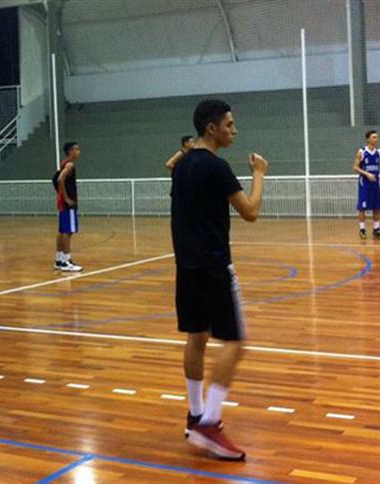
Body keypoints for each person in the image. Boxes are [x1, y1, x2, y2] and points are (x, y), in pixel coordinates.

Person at [171, 100, 268, 460]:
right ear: (211, 128)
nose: (234, 130)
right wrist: (259, 173)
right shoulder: (216, 166)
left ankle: (195, 414)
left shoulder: (182, 165)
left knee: (196, 337)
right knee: (235, 343)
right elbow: (250, 212)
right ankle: (209, 423)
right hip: (213, 267)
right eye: (229, 124)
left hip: (186, 266)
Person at [54, 142, 83, 272]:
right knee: (68, 232)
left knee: (61, 231)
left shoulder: (64, 163)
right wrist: (66, 198)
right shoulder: (70, 165)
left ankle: (59, 260)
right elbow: (60, 179)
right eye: (76, 149)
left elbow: (57, 179)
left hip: (62, 203)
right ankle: (66, 261)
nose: (79, 151)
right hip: (68, 203)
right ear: (70, 151)